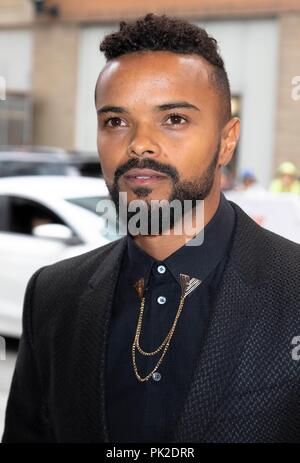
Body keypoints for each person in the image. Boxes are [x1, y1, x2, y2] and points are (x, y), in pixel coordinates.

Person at [2, 14, 300, 444]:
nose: (140, 144)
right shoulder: (52, 297)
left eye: (174, 119)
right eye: (116, 121)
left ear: (227, 140)